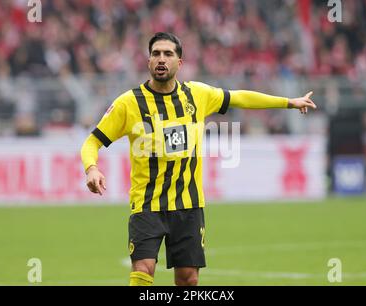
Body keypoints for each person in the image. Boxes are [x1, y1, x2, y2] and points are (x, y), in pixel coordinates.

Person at [80, 32, 317, 286]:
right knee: (143, 269)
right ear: (148, 61)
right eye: (156, 54)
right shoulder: (129, 103)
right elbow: (91, 142)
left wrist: (288, 102)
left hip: (189, 205)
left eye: (168, 54)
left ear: (179, 63)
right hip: (147, 204)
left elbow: (239, 97)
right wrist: (91, 168)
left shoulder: (197, 95)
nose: (161, 59)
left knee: (188, 279)